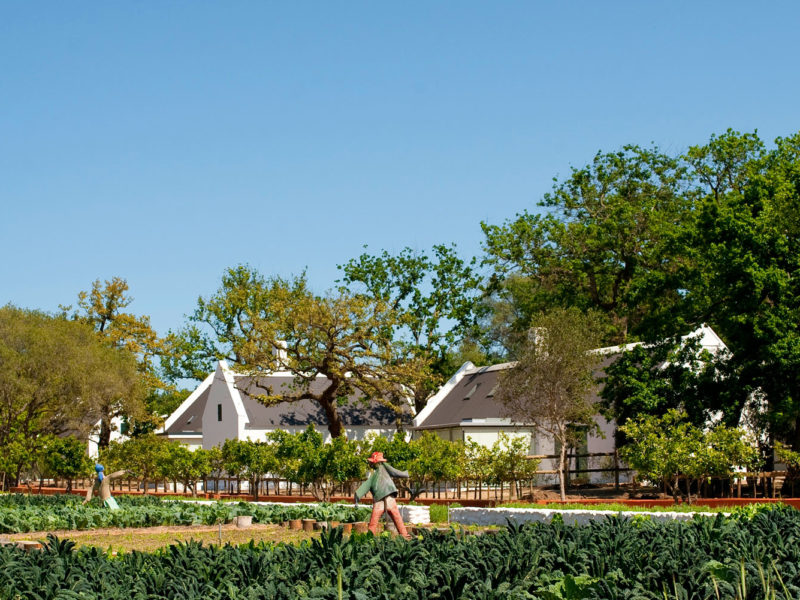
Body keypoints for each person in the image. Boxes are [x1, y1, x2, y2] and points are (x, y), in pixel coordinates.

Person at [354, 451, 411, 539]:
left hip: (382, 498)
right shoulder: (379, 471)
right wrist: (405, 474)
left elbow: (366, 485)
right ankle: (404, 535)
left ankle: (370, 538)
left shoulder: (380, 470)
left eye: (372, 462)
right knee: (395, 516)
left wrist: (357, 495)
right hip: (388, 496)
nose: (371, 464)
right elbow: (395, 472)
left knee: (375, 519)